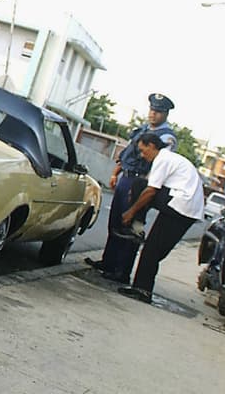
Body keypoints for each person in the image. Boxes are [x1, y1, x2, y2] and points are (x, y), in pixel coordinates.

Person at [84, 92, 177, 282]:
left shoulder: (166, 137)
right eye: (152, 110)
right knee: (115, 223)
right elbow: (126, 152)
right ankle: (108, 262)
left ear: (166, 114)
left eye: (158, 112)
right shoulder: (142, 130)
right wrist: (115, 172)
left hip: (139, 182)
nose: (153, 114)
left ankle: (122, 271)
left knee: (130, 226)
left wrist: (143, 188)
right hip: (125, 177)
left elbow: (159, 164)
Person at [117, 131, 205, 303]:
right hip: (185, 208)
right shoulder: (170, 159)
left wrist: (131, 213)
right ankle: (142, 287)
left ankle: (142, 289)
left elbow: (150, 191)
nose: (143, 156)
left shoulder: (162, 159)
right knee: (155, 249)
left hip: (180, 206)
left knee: (141, 186)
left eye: (143, 151)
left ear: (152, 146)